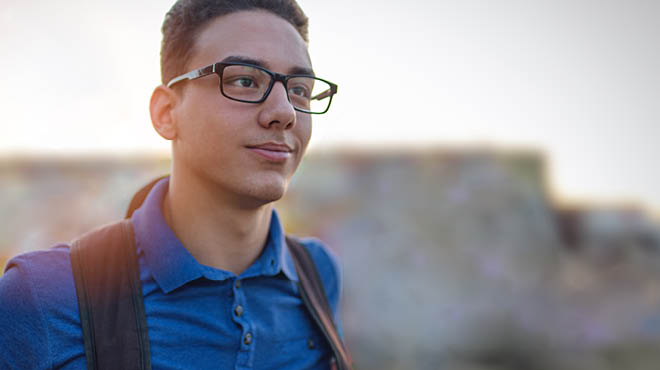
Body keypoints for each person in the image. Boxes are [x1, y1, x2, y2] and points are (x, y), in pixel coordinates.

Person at [0, 0, 347, 369]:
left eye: (300, 89)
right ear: (166, 114)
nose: (285, 112)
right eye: (244, 80)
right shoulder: (40, 299)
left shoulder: (317, 274)